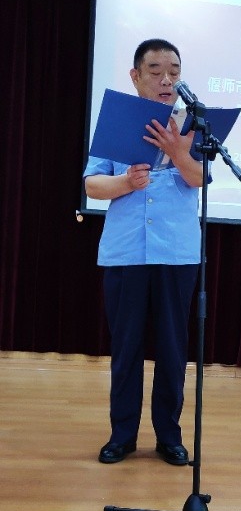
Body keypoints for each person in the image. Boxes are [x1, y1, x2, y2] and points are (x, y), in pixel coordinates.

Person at [84, 38, 202, 466]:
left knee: (172, 349)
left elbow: (199, 179)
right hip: (126, 251)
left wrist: (177, 153)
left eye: (174, 71)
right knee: (127, 348)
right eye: (156, 71)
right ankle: (122, 435)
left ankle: (169, 436)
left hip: (177, 252)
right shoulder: (117, 122)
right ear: (136, 77)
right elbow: (92, 184)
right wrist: (125, 183)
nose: (166, 80)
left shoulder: (193, 125)